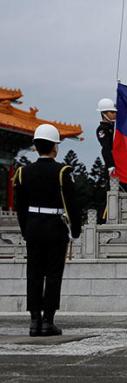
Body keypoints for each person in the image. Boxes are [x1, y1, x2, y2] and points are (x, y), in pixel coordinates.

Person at [13, 124, 82, 337]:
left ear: (35, 146)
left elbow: (20, 206)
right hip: (54, 226)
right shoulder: (62, 171)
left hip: (33, 225)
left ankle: (34, 320)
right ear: (54, 147)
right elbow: (71, 204)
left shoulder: (23, 172)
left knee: (33, 273)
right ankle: (48, 321)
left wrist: (26, 229)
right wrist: (76, 230)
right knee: (53, 274)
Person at [96, 98, 117, 176]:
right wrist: (110, 165)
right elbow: (106, 148)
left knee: (126, 187)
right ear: (104, 113)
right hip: (113, 164)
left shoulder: (116, 127)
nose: (115, 114)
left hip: (123, 163)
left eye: (115, 112)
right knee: (115, 188)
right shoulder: (102, 129)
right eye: (112, 112)